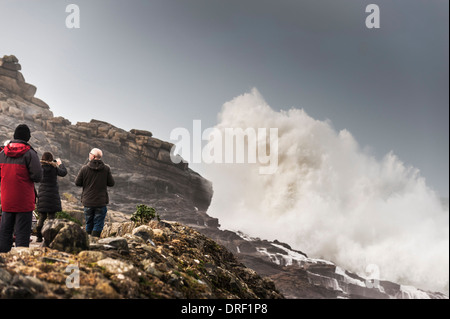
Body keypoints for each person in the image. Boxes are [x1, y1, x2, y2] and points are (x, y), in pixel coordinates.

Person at [0, 124, 42, 252]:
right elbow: (37, 176)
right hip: (24, 201)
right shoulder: (30, 154)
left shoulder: (2, 153)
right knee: (22, 233)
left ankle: (3, 261)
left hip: (7, 199)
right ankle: (21, 261)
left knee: (5, 231)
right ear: (27, 138)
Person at [75, 148, 114, 237]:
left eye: (90, 153)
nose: (89, 155)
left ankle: (88, 241)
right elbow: (111, 183)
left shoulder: (84, 169)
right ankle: (94, 241)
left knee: (89, 223)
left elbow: (77, 183)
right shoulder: (106, 169)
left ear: (93, 156)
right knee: (98, 224)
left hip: (88, 201)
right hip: (101, 202)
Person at [35, 152, 68, 242]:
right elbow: (64, 172)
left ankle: (38, 237)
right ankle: (49, 237)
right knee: (51, 218)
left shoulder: (40, 168)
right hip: (52, 194)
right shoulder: (54, 168)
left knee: (42, 217)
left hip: (42, 194)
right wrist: (60, 164)